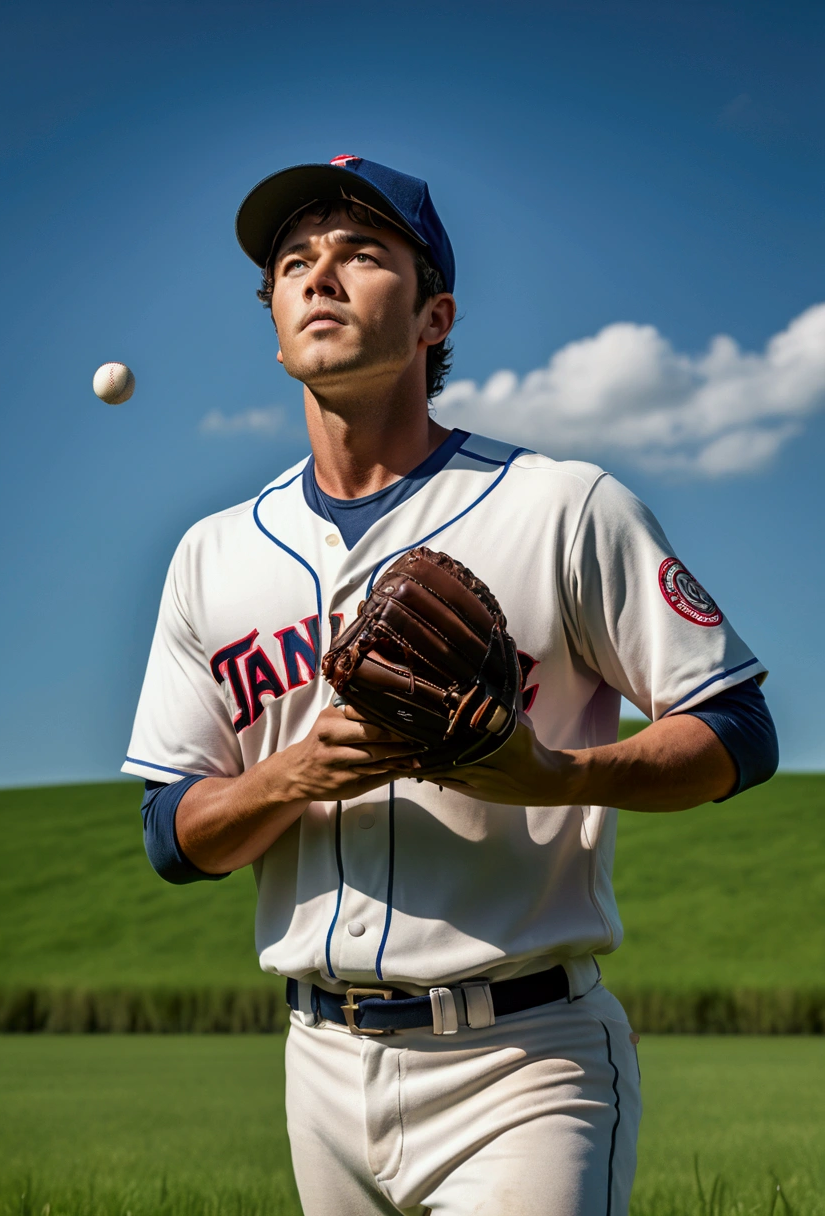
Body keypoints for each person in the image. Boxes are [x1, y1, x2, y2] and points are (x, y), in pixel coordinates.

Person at [123, 155, 778, 1216]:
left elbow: (739, 731)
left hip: (523, 1062)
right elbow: (169, 834)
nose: (318, 276)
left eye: (360, 255)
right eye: (294, 263)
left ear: (435, 316)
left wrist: (551, 774)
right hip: (318, 1064)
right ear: (275, 321)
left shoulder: (561, 505)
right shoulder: (212, 554)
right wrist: (287, 778)